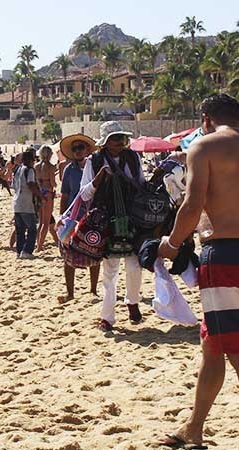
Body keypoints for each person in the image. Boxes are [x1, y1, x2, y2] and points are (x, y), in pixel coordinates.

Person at [157, 93, 239, 450]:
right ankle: (194, 428)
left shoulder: (204, 147)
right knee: (214, 344)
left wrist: (172, 244)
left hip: (223, 255)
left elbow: (193, 204)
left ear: (206, 118)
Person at [78, 121, 146, 331]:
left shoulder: (133, 158)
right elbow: (84, 193)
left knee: (135, 266)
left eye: (121, 138)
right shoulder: (94, 161)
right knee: (110, 271)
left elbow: (141, 183)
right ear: (106, 142)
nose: (119, 142)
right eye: (114, 138)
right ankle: (107, 317)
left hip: (131, 216)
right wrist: (100, 178)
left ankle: (132, 301)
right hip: (105, 219)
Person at [57, 134, 101, 302]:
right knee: (68, 254)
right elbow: (65, 194)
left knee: (94, 251)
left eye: (80, 148)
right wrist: (61, 217)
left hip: (92, 215)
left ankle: (93, 290)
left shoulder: (95, 166)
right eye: (74, 149)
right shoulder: (69, 169)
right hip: (73, 216)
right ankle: (70, 293)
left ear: (87, 149)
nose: (77, 151)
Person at [12, 152, 40, 259]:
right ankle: (27, 250)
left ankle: (19, 251)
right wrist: (40, 195)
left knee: (20, 230)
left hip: (17, 203)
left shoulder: (18, 169)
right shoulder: (30, 170)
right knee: (32, 229)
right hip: (26, 203)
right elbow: (31, 184)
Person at [35, 146, 59, 253]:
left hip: (39, 193)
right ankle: (40, 245)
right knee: (46, 222)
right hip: (48, 193)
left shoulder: (37, 166)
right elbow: (53, 183)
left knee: (40, 222)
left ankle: (38, 244)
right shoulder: (50, 167)